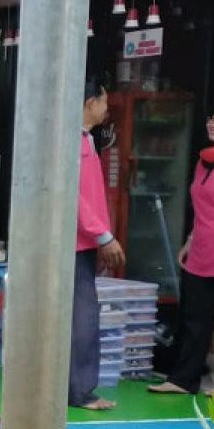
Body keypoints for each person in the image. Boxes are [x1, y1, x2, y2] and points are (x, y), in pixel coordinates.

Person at [149, 102, 214, 397]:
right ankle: (183, 379)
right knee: (195, 319)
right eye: (213, 119)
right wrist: (191, 241)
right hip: (202, 252)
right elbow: (204, 207)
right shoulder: (205, 160)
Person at [71, 81, 124, 410]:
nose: (107, 109)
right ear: (90, 101)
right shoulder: (72, 142)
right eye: (104, 102)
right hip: (76, 244)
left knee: (78, 316)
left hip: (85, 242)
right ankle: (80, 391)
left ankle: (75, 388)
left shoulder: (86, 140)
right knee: (82, 318)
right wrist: (102, 235)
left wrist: (100, 236)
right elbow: (73, 198)